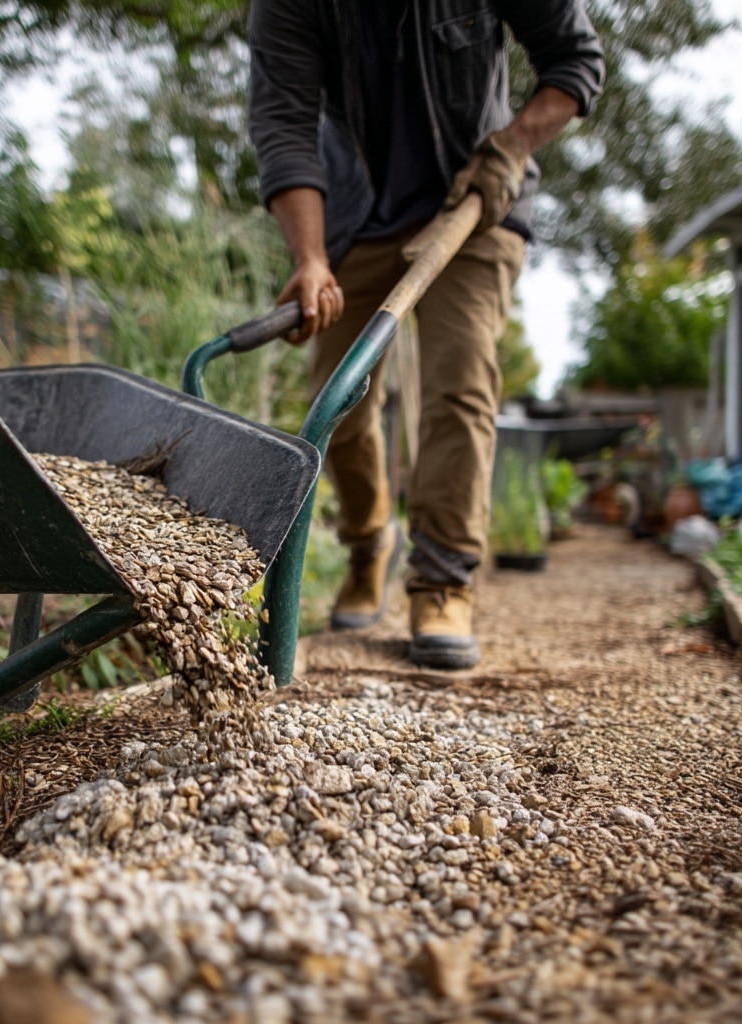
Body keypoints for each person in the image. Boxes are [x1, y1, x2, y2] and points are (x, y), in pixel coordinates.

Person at [248, 0, 605, 670]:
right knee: (337, 403)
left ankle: (443, 580)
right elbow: (284, 122)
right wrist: (310, 258)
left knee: (459, 382)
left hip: (473, 201)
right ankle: (366, 545)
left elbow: (576, 60)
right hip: (354, 218)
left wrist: (513, 145)